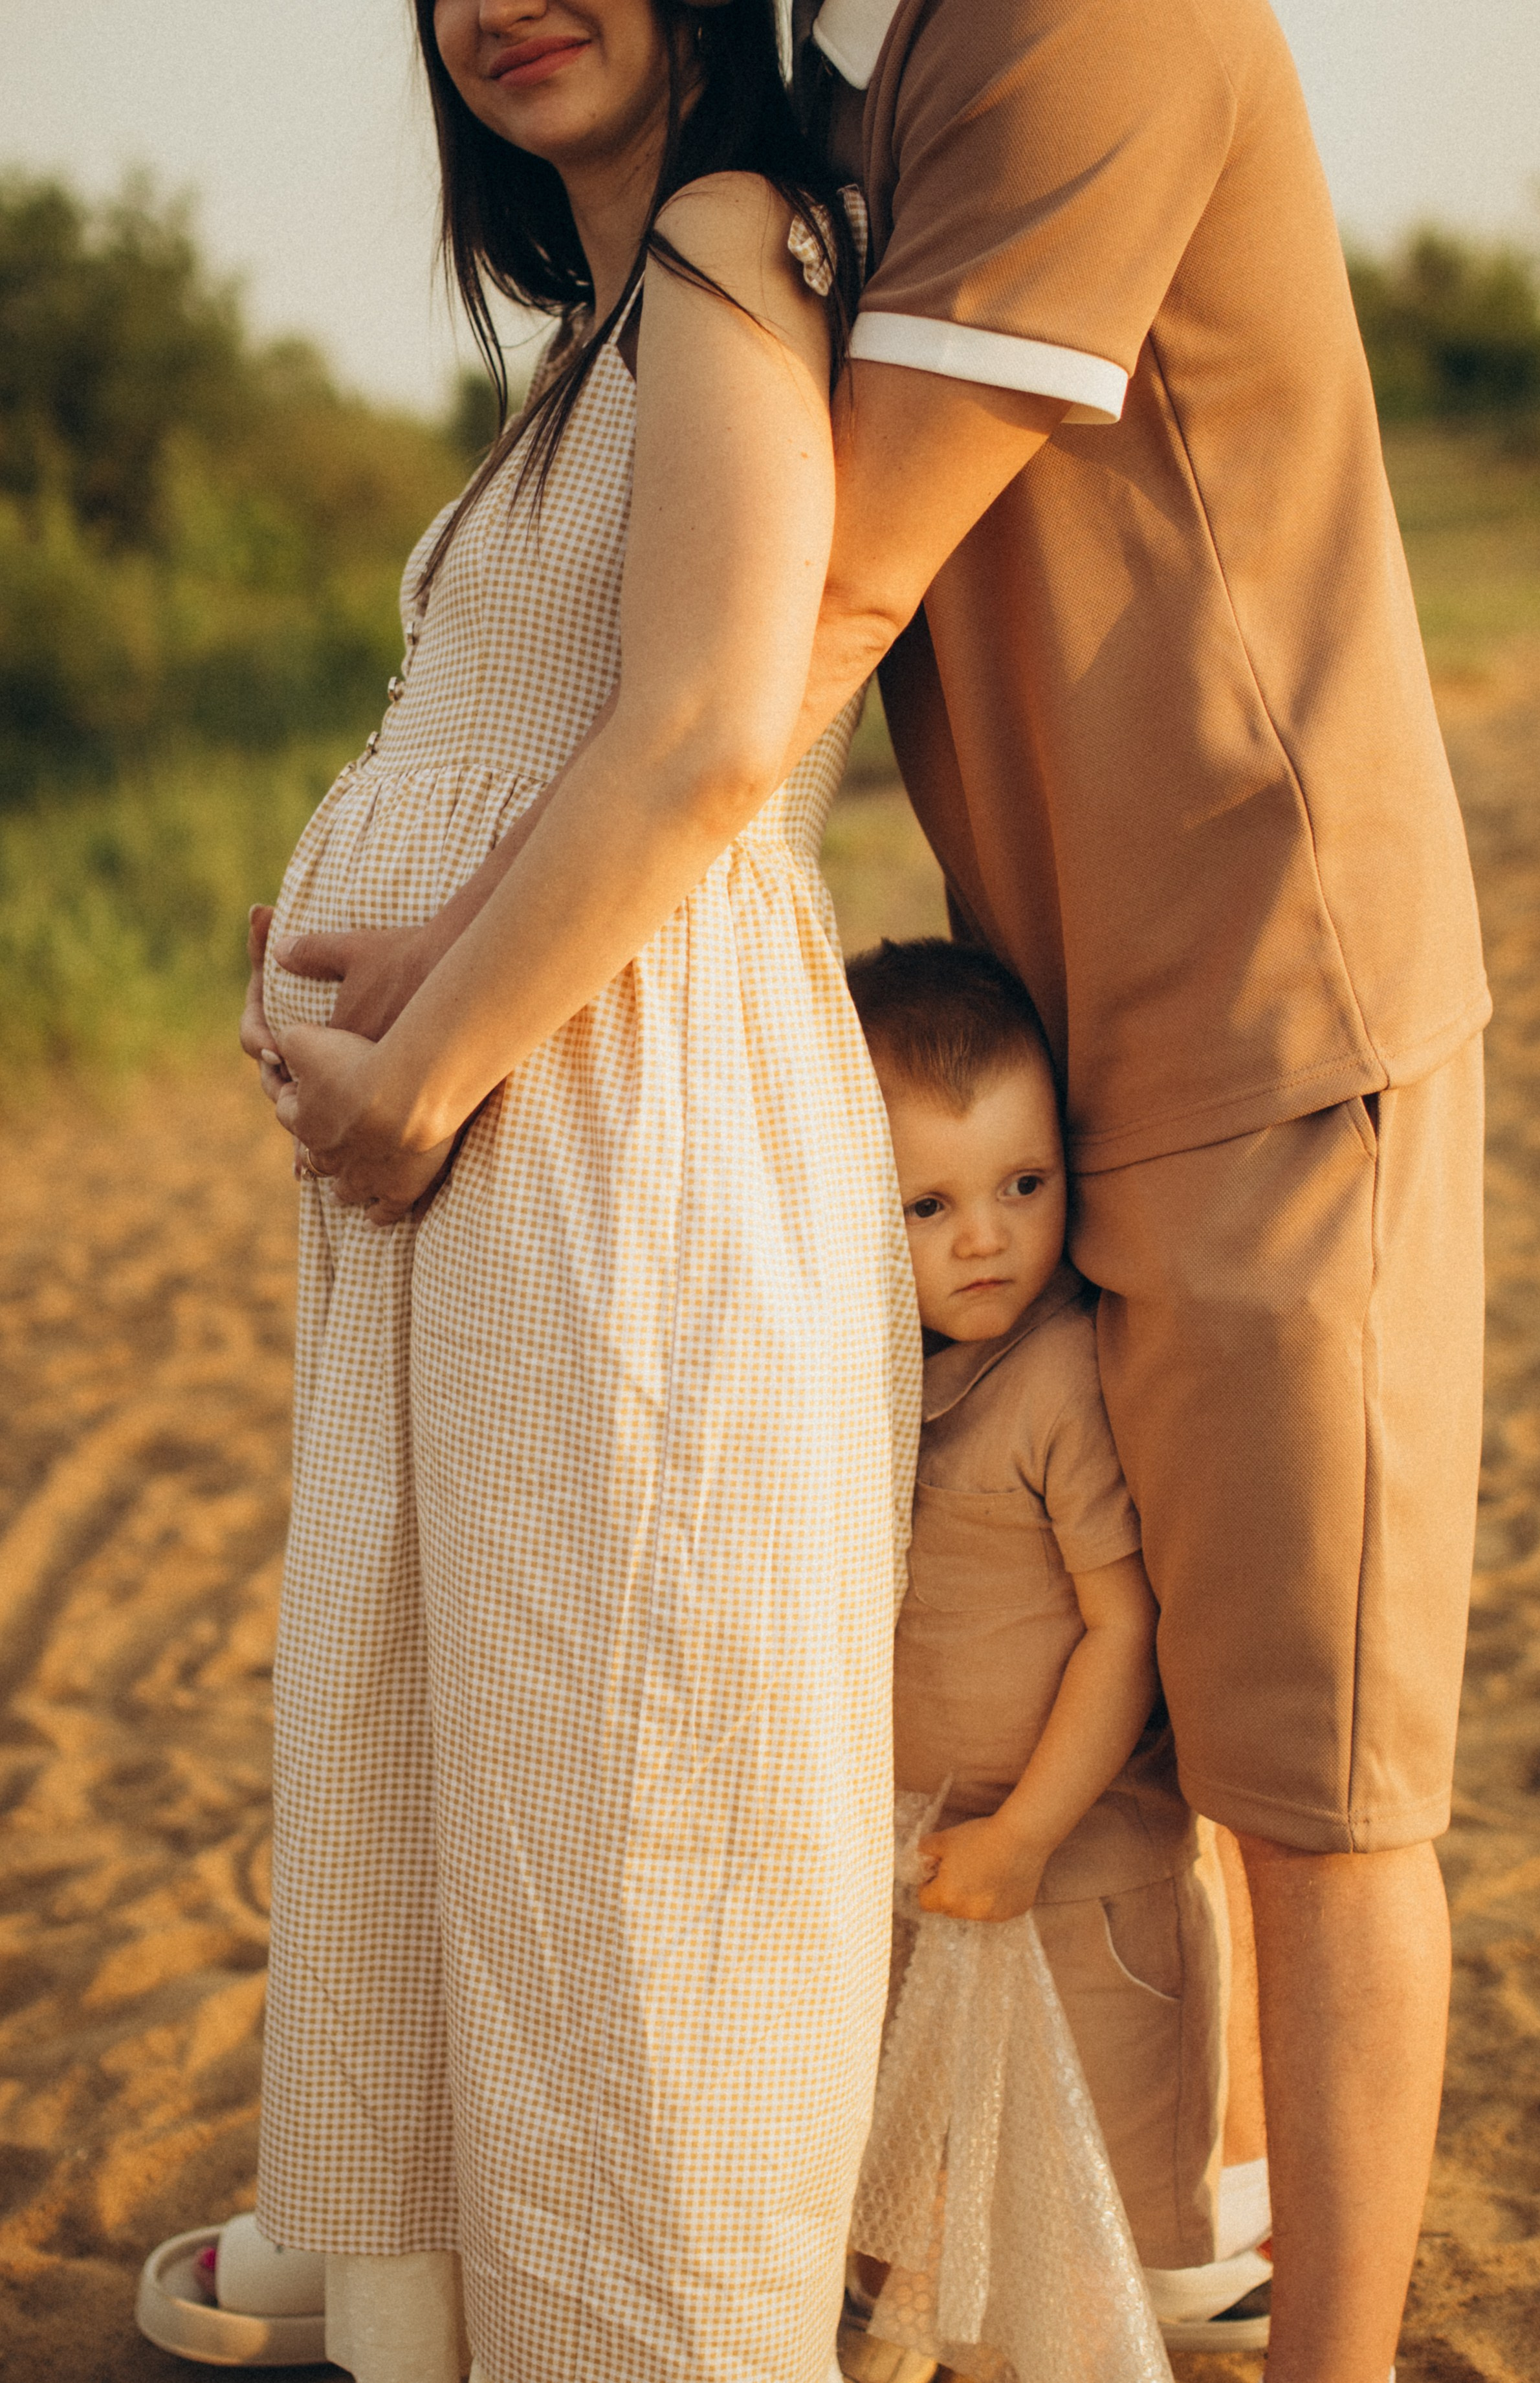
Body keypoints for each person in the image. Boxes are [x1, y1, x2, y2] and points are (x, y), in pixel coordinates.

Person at [263, 6, 1488, 2378]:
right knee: (1040, 1682)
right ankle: (1117, 2233)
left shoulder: (1067, 21)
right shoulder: (841, 87)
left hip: (1261, 999)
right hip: (1029, 1018)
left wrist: (445, 986)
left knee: (1314, 1766)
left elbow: (803, 621)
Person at [150, 6, 923, 2381]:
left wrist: (419, 1081)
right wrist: (382, 946)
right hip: (527, 1130)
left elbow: (702, 731)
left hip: (611, 1131)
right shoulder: (602, 320)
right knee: (496, 1782)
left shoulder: (717, 241)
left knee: (629, 1809)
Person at [839, 939, 1271, 2380]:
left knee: (1072, 2219)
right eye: (929, 1202)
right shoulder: (880, 1372)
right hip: (933, 1861)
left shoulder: (1059, 1375)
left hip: (1075, 1871)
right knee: (927, 2190)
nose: (986, 1237)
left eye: (1023, 1184)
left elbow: (1123, 1623)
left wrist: (1028, 1829)